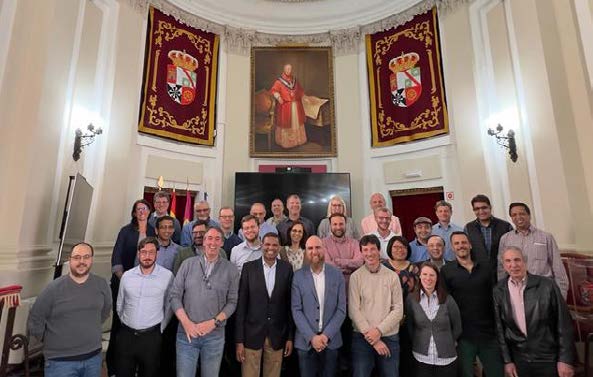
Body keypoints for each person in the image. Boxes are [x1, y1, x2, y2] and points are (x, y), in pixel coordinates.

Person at [28, 243, 111, 377]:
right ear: (70, 259)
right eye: (77, 257)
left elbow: (105, 311)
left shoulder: (101, 284)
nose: (82, 261)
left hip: (93, 358)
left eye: (86, 257)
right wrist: (49, 339)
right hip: (60, 362)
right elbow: (36, 318)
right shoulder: (53, 289)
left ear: (91, 259)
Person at [493, 247, 576, 377]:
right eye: (508, 261)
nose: (513, 265)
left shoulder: (547, 285)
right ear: (504, 265)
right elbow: (500, 329)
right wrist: (507, 361)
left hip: (548, 358)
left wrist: (565, 359)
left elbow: (564, 323)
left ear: (525, 262)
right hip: (520, 360)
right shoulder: (499, 290)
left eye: (517, 260)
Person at [169, 226, 240, 377]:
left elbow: (232, 302)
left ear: (222, 243)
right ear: (204, 241)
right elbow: (174, 296)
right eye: (209, 238)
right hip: (186, 334)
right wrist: (187, 323)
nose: (212, 243)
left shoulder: (231, 270)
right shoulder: (187, 264)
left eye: (217, 239)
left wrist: (213, 322)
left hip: (214, 335)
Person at [441, 231, 504, 377]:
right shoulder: (446, 271)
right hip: (463, 336)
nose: (460, 246)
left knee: (496, 373)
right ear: (452, 247)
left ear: (469, 245)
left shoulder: (486, 267)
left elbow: (496, 298)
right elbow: (445, 305)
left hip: (489, 333)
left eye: (463, 242)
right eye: (456, 243)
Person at [107, 199, 156, 376]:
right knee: (120, 324)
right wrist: (126, 280)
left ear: (150, 211)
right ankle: (114, 367)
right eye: (138, 209)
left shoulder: (153, 231)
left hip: (147, 286)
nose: (142, 211)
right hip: (123, 284)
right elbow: (116, 258)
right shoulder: (125, 231)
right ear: (134, 213)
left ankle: (136, 365)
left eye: (145, 208)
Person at [235, 233, 294, 377]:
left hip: (277, 335)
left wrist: (290, 337)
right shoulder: (249, 268)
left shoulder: (286, 269)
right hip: (251, 335)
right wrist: (239, 340)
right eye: (267, 244)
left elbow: (289, 306)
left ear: (279, 247)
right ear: (262, 245)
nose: (271, 248)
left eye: (275, 245)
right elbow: (241, 306)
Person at [116, 237, 174, 377]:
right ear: (138, 254)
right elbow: (120, 304)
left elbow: (169, 306)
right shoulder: (127, 276)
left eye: (151, 252)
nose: (147, 256)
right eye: (143, 252)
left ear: (157, 254)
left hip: (151, 338)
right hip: (126, 336)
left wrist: (161, 328)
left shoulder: (167, 276)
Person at [292, 236, 347, 377]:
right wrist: (312, 337)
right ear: (305, 252)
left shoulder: (337, 274)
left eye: (318, 247)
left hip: (331, 341)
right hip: (305, 343)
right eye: (310, 248)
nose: (314, 251)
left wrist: (325, 335)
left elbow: (341, 309)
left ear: (324, 249)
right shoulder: (297, 277)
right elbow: (296, 310)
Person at [349, 235, 404, 377]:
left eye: (373, 249)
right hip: (362, 337)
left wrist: (378, 332)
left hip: (389, 336)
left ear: (379, 251)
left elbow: (398, 310)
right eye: (365, 250)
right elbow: (353, 310)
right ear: (361, 253)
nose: (369, 253)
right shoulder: (355, 277)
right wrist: (372, 337)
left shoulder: (392, 276)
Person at [498, 202, 569, 298]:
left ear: (529, 215)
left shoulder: (546, 237)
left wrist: (561, 295)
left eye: (522, 213)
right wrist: (502, 291)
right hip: (516, 291)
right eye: (514, 215)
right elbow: (502, 268)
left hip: (542, 289)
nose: (518, 217)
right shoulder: (505, 239)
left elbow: (558, 268)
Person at [406, 262, 462, 377]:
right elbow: (410, 326)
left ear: (437, 278)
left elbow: (457, 326)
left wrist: (448, 341)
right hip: (421, 357)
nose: (428, 278)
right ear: (420, 276)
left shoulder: (448, 299)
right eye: (425, 274)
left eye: (432, 275)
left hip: (446, 358)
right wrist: (418, 340)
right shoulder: (411, 299)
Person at [381, 235, 419, 377]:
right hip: (385, 316)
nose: (399, 250)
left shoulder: (414, 268)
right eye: (396, 247)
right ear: (390, 248)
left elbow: (417, 293)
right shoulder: (383, 266)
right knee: (388, 354)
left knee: (407, 351)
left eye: (403, 247)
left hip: (409, 315)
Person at [464, 194, 512, 280]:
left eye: (484, 207)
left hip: (503, 274)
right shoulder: (468, 228)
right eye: (477, 209)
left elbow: (512, 250)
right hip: (478, 275)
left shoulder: (505, 226)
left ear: (490, 207)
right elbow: (467, 253)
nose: (481, 211)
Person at [269, 63, 307, 149]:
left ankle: (297, 140)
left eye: (290, 69)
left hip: (295, 105)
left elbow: (300, 90)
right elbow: (274, 90)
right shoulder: (279, 81)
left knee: (296, 122)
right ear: (284, 70)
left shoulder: (294, 80)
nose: (288, 71)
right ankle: (287, 143)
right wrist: (278, 97)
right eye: (287, 69)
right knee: (286, 122)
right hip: (285, 106)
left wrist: (303, 96)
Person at [322, 213, 363, 287]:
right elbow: (327, 265)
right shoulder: (323, 243)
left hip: (352, 285)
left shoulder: (354, 243)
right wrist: (349, 268)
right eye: (335, 224)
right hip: (331, 285)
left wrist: (338, 261)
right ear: (330, 226)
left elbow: (359, 262)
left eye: (341, 224)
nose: (338, 227)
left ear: (345, 225)